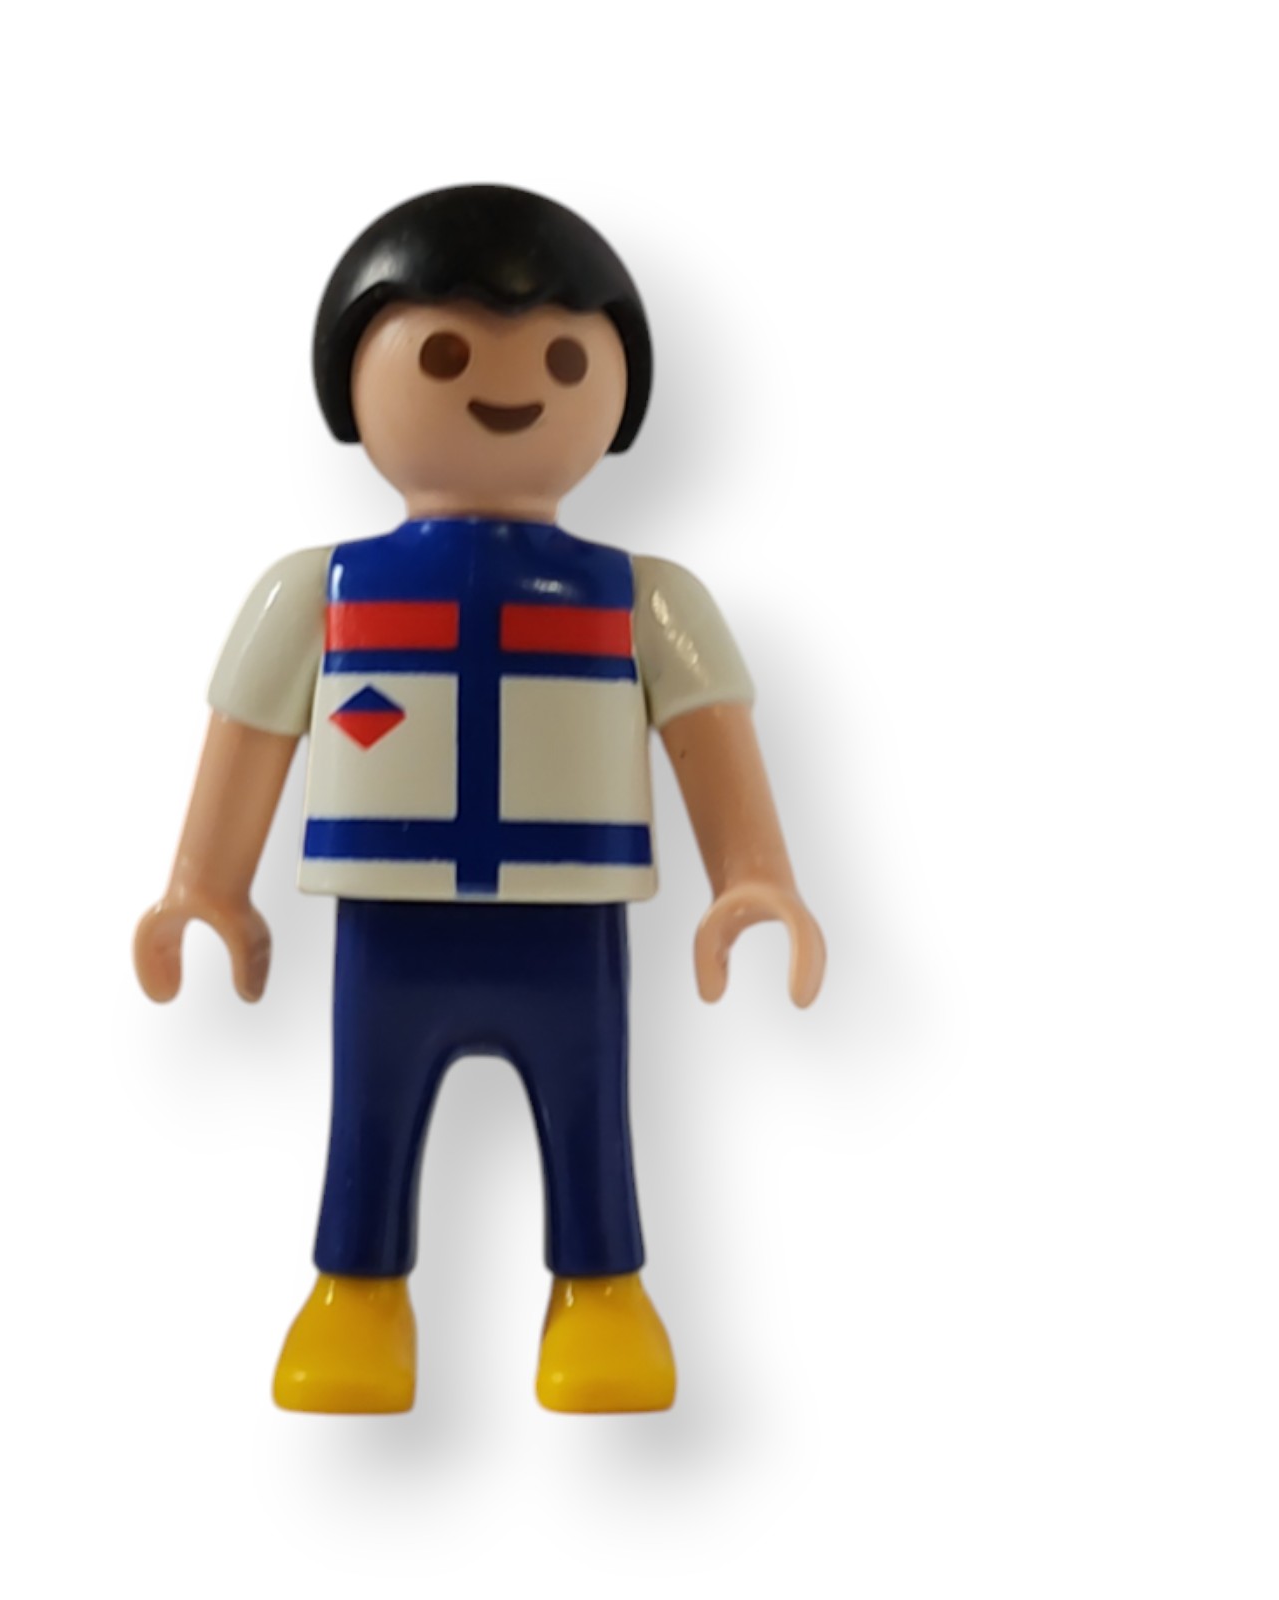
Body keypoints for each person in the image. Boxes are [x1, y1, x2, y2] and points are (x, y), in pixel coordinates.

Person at [135, 185, 825, 1413]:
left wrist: (752, 876)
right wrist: (206, 886)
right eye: (444, 353)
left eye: (564, 357)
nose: (512, 387)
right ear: (354, 379)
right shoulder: (319, 591)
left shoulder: (643, 597)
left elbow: (709, 735)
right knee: (370, 1107)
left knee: (590, 1105)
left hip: (569, 921)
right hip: (390, 920)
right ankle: (356, 1297)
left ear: (619, 391)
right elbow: (249, 734)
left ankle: (603, 1293)